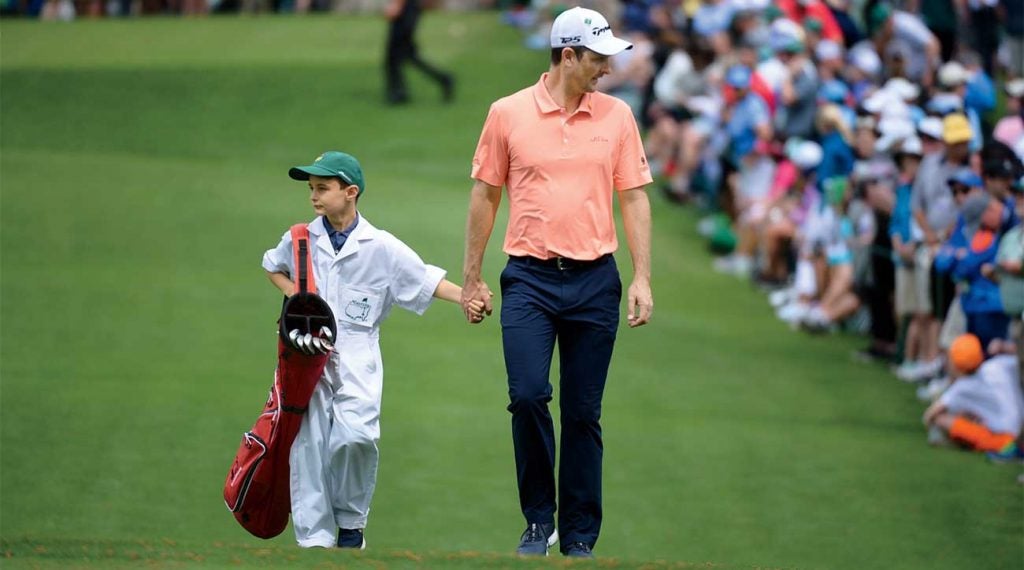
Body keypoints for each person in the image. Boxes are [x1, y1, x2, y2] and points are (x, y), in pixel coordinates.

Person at [460, 6, 653, 559]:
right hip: (529, 280)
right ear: (567, 55)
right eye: (597, 59)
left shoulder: (617, 117)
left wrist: (642, 276)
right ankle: (538, 520)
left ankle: (580, 535)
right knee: (526, 397)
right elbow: (485, 195)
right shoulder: (508, 113)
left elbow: (634, 196)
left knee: (583, 414)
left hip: (596, 281)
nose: (606, 70)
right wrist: (472, 278)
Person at [262, 150, 484, 549]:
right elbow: (272, 266)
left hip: (357, 355)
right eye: (311, 189)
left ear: (351, 191)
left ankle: (351, 523)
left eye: (323, 188)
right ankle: (314, 541)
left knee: (355, 437)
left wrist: (466, 298)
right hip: (305, 355)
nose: (314, 196)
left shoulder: (380, 246)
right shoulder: (299, 239)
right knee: (308, 446)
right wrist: (297, 297)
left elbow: (425, 280)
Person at [923, 334, 1023, 454]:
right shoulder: (999, 364)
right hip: (1021, 429)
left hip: (1008, 440)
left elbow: (930, 415)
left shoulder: (961, 388)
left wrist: (931, 426)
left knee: (941, 418)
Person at [383, 0, 454, 105]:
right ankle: (443, 79)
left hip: (406, 10)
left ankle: (398, 92)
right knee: (406, 55)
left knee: (395, 55)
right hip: (410, 9)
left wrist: (397, 5)